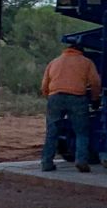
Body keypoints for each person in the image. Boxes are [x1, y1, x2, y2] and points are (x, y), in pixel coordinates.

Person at [40, 35, 103, 173]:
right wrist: (95, 99)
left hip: (55, 96)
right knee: (81, 132)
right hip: (77, 97)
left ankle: (46, 163)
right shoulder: (86, 62)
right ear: (81, 50)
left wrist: (50, 97)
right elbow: (95, 83)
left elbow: (44, 85)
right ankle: (81, 161)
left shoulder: (54, 62)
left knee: (52, 132)